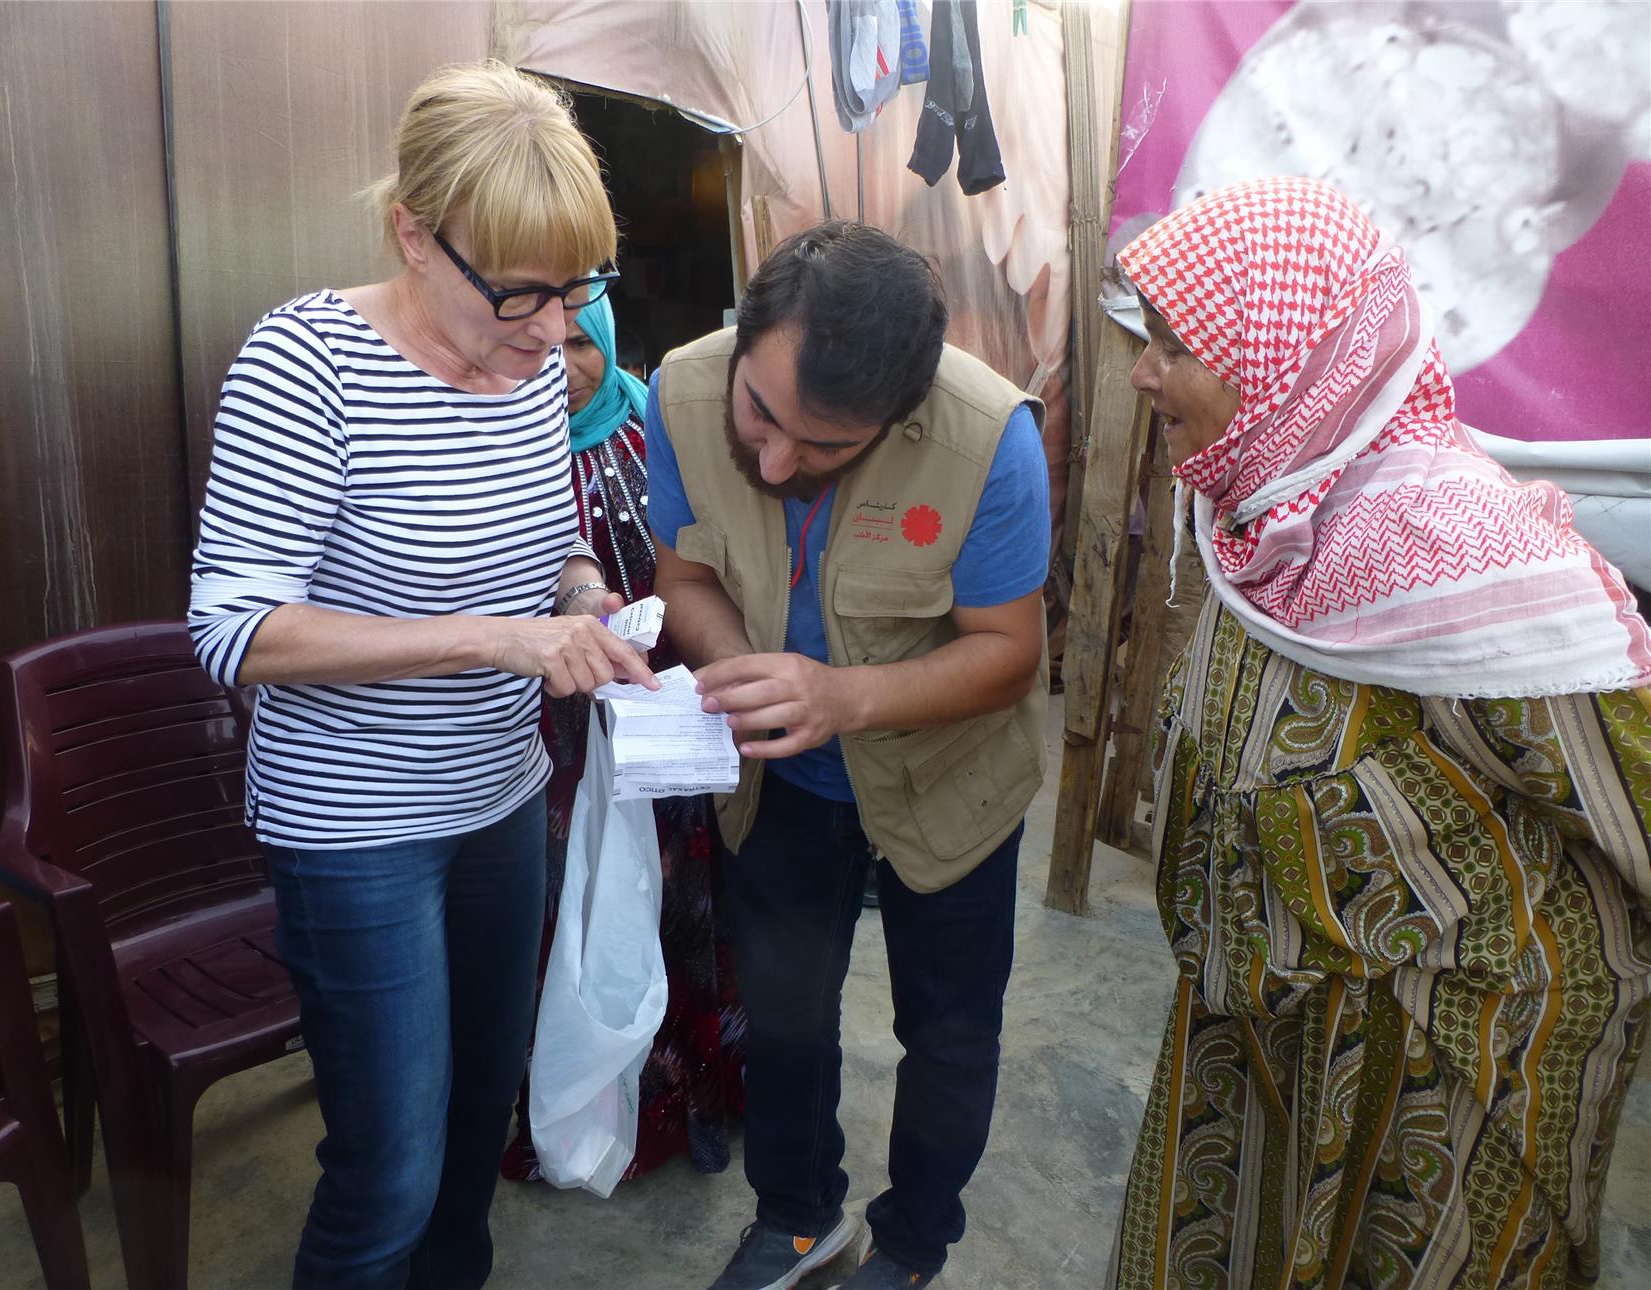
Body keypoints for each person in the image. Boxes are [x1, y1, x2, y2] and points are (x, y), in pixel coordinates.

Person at [1106, 176, 1651, 1289]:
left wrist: (1522, 1033)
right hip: (1249, 1043)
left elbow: (1628, 788)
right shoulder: (1262, 520)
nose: (1140, 374)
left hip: (1433, 1082)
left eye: (1173, 344)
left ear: (1282, 357)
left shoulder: (1458, 551)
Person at [186, 61, 656, 1290]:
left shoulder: (534, 365)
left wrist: (580, 599)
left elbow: (532, 537)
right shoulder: (308, 365)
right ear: (413, 234)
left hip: (498, 806)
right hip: (355, 830)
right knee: (385, 1169)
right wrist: (496, 637)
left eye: (576, 291)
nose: (554, 331)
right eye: (519, 293)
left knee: (467, 1136)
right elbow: (238, 628)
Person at [648, 221, 1052, 1290]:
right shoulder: (682, 395)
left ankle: (914, 1243)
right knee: (781, 1015)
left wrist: (842, 696)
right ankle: (796, 1219)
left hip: (948, 782)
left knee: (949, 1033)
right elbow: (684, 575)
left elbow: (1010, 654)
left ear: (899, 413)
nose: (774, 461)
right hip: (781, 780)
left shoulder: (988, 436)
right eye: (760, 414)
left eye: (822, 447)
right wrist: (744, 671)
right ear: (743, 339)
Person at [500, 293, 746, 1183]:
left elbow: (706, 567)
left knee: (677, 909)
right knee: (564, 917)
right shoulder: (500, 443)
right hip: (547, 745)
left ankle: (693, 1096)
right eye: (545, 343)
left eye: (580, 344)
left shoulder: (655, 434)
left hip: (656, 723)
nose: (561, 364)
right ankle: (571, 1102)